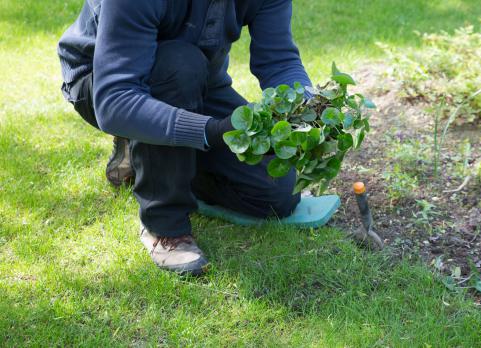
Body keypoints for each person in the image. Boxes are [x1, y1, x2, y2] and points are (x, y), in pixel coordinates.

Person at [58, 0, 312, 276]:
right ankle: (164, 226)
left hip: (199, 81)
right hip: (107, 81)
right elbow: (115, 100)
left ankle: (145, 152)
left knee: (277, 192)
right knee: (180, 63)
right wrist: (211, 132)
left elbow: (279, 61)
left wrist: (307, 107)